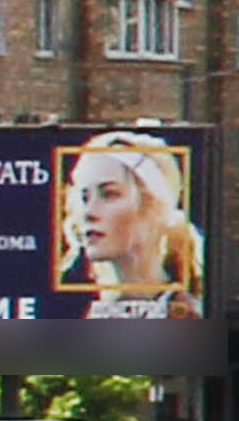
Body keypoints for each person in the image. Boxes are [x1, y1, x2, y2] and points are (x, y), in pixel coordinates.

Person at [58, 130, 205, 318]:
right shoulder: (86, 317)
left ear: (153, 207)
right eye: (85, 197)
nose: (88, 212)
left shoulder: (189, 315)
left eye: (109, 194)